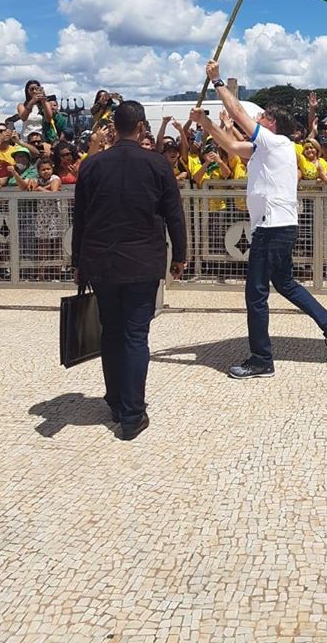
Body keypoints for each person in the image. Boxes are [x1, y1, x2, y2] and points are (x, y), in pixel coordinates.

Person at [193, 60, 327, 379]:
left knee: (256, 293)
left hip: (271, 226)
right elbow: (232, 146)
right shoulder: (269, 148)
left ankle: (261, 359)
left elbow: (238, 116)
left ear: (272, 124)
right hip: (277, 225)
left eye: (262, 116)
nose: (257, 118)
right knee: (285, 283)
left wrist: (217, 80)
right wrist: (206, 124)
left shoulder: (275, 142)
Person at [72, 101, 187, 441]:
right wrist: (179, 255)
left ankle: (116, 401)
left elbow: (80, 219)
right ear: (141, 128)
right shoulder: (157, 164)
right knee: (136, 335)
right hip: (142, 261)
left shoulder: (91, 166)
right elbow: (174, 215)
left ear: (114, 127)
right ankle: (133, 414)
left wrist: (78, 261)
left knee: (111, 331)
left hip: (102, 261)